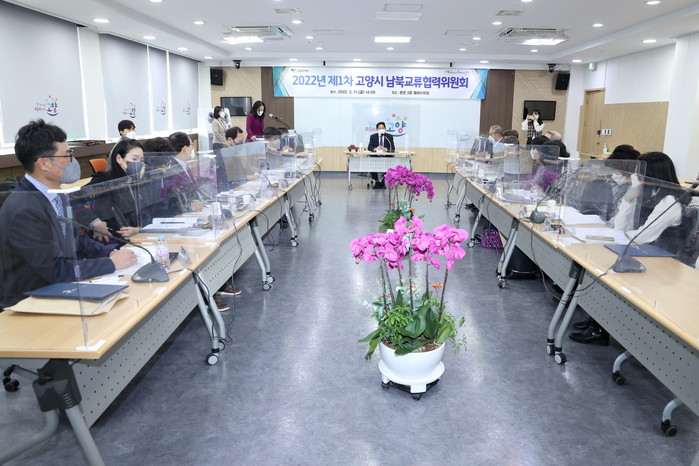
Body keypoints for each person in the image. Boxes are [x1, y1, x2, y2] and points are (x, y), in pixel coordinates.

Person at [0, 120, 136, 309]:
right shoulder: (24, 207)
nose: (72, 161)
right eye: (67, 155)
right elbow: (52, 269)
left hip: (58, 289)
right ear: (43, 163)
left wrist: (109, 251)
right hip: (28, 301)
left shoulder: (55, 194)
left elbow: (74, 240)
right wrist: (110, 263)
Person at [570, 151, 687, 345]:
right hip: (645, 252)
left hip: (661, 262)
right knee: (600, 262)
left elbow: (642, 236)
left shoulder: (669, 202)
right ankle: (596, 320)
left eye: (639, 173)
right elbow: (621, 228)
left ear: (651, 175)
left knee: (609, 269)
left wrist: (622, 231)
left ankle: (600, 327)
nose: (635, 176)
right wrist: (629, 199)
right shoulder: (648, 194)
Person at [166, 132, 205, 213]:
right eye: (191, 145)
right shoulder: (172, 170)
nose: (192, 148)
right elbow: (178, 200)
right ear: (184, 149)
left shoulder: (184, 165)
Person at [367, 121, 395, 189]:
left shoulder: (389, 137)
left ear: (385, 128)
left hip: (386, 157)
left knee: (389, 165)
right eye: (379, 128)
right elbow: (369, 147)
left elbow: (392, 148)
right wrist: (375, 148)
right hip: (376, 156)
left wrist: (385, 149)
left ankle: (383, 181)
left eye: (382, 128)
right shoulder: (373, 136)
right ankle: (376, 181)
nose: (381, 129)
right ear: (377, 129)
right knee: (372, 163)